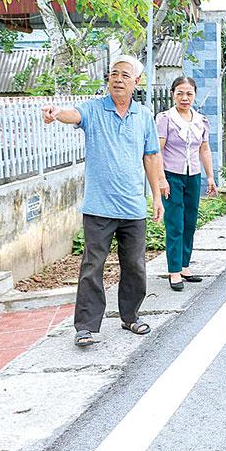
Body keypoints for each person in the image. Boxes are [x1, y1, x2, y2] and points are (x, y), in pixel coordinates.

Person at [41, 55, 168, 345]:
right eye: (114, 74)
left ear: (136, 82)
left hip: (133, 205)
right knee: (92, 266)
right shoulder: (95, 109)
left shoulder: (143, 115)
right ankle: (86, 327)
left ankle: (131, 317)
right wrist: (55, 112)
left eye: (125, 75)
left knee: (135, 265)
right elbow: (74, 114)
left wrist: (157, 195)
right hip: (99, 206)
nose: (118, 79)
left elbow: (151, 156)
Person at [157, 76, 217, 291]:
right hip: (171, 175)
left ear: (195, 95)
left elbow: (204, 149)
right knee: (175, 222)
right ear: (173, 94)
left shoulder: (201, 120)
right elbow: (158, 150)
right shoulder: (165, 119)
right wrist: (161, 179)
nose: (184, 98)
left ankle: (184, 265)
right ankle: (173, 270)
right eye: (180, 93)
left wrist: (210, 177)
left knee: (190, 221)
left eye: (189, 93)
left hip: (193, 175)